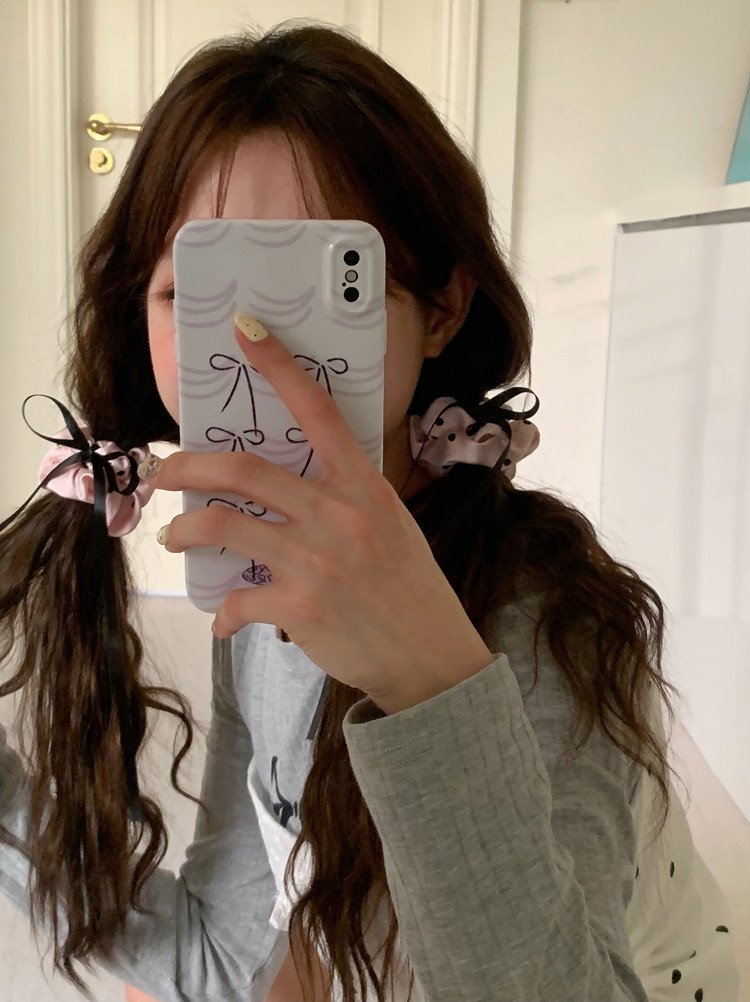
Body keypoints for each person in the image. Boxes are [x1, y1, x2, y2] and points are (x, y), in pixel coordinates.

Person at [0, 20, 740, 1002]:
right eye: (197, 291)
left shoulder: (541, 634)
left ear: (442, 308)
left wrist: (432, 684)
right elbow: (226, 951)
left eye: (313, 287)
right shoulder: (256, 580)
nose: (255, 343)